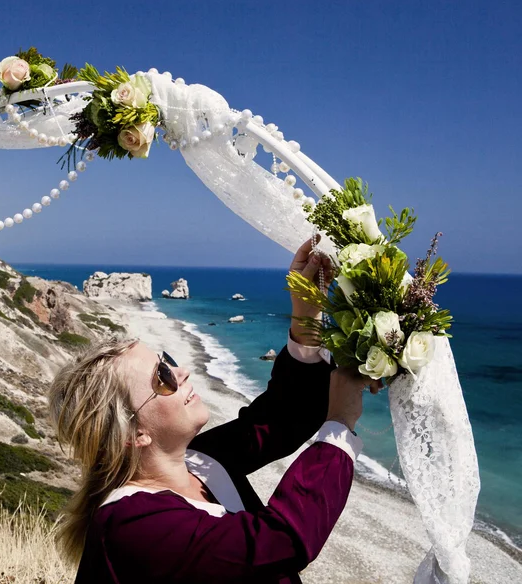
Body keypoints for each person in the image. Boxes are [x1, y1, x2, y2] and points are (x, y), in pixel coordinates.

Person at [48, 237, 379, 583]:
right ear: (135, 433)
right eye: (162, 377)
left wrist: (306, 316)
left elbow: (279, 420)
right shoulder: (128, 525)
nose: (182, 372)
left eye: (168, 362)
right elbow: (278, 540)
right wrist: (339, 423)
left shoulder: (198, 460)